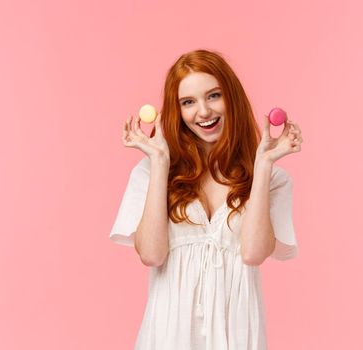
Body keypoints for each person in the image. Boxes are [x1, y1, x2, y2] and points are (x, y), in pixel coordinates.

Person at [110, 49, 303, 349]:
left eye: (213, 96)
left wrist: (263, 165)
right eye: (188, 102)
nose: (203, 112)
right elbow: (151, 255)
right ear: (177, 111)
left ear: (232, 97)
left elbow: (253, 253)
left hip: (236, 335)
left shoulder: (271, 181)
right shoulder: (151, 172)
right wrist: (160, 161)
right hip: (167, 335)